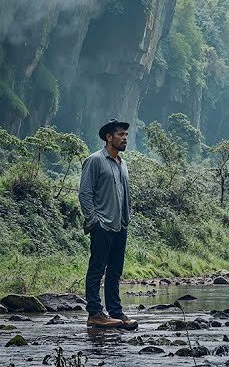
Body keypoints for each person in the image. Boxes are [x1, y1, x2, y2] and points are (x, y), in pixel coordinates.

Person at [78, 119, 137, 329]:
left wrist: (126, 221)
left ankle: (116, 312)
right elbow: (85, 193)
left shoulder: (123, 163)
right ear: (108, 137)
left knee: (114, 271)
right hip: (102, 225)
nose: (124, 138)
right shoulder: (94, 160)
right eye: (120, 134)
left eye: (126, 135)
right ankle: (94, 313)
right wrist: (94, 221)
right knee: (97, 269)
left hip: (120, 226)